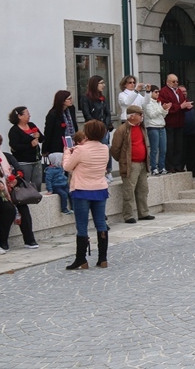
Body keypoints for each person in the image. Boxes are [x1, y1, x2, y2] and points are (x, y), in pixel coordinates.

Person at [63, 120, 111, 270]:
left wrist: (66, 152)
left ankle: (81, 258)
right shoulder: (104, 148)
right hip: (100, 188)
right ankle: (103, 258)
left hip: (82, 189)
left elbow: (67, 166)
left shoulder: (80, 150)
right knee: (101, 224)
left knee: (82, 226)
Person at [0, 132, 38, 250]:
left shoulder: (7, 157)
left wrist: (15, 180)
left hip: (12, 190)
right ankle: (3, 241)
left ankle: (29, 240)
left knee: (23, 208)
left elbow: (19, 171)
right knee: (8, 209)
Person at [110, 105, 154, 224]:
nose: (142, 117)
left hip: (143, 163)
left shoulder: (142, 127)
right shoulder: (122, 130)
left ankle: (143, 213)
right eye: (140, 115)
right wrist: (123, 160)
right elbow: (115, 149)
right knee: (129, 191)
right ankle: (128, 215)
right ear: (132, 116)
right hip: (131, 164)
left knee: (143, 189)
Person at [158, 74, 193, 173]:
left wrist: (187, 106)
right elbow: (165, 106)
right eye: (173, 81)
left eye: (177, 81)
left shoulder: (179, 91)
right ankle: (170, 166)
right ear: (167, 82)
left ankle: (178, 165)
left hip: (180, 122)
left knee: (179, 145)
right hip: (170, 122)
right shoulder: (163, 92)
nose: (176, 83)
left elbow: (182, 103)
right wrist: (180, 107)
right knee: (170, 146)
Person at [80, 75, 114, 175]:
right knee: (96, 150)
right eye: (101, 83)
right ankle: (98, 170)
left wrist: (106, 126)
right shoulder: (86, 98)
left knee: (106, 148)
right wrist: (98, 126)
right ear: (95, 84)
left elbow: (108, 113)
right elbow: (87, 114)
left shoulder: (103, 98)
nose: (103, 85)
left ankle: (108, 171)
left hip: (104, 129)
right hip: (93, 129)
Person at [8, 106, 44, 192]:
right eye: (27, 114)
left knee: (38, 182)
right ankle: (27, 200)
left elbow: (42, 139)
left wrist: (38, 136)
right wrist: (30, 145)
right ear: (19, 116)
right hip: (24, 161)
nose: (29, 115)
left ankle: (37, 199)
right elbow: (15, 146)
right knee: (25, 183)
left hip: (36, 159)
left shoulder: (31, 125)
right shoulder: (14, 130)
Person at [143, 87, 171, 175]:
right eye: (155, 92)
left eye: (158, 92)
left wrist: (165, 109)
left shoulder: (158, 102)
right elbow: (151, 115)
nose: (157, 93)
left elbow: (162, 115)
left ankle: (161, 167)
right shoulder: (147, 102)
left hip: (161, 126)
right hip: (153, 127)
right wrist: (162, 109)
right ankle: (153, 167)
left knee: (163, 149)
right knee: (154, 149)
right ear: (150, 92)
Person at [42, 90, 78, 157]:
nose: (71, 100)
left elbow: (74, 124)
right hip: (58, 145)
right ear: (62, 101)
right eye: (69, 99)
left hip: (72, 142)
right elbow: (48, 132)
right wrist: (45, 149)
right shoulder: (53, 114)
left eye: (71, 98)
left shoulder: (71, 109)